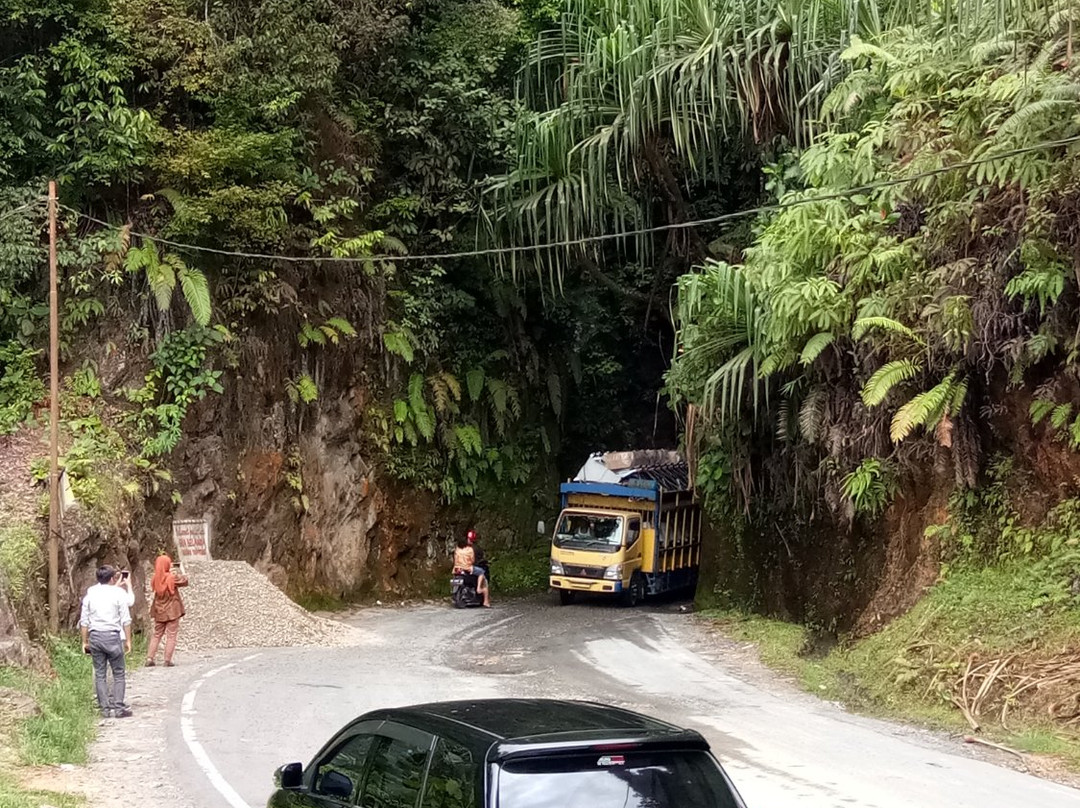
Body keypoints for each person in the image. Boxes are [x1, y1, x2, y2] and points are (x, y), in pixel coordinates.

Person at [80, 565, 133, 718]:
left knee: (100, 673)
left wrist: (85, 641)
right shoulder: (118, 594)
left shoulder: (90, 595)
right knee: (118, 673)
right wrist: (128, 640)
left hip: (95, 636)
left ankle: (104, 709)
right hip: (113, 636)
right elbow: (126, 619)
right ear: (112, 579)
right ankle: (118, 707)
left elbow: (84, 621)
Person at [146, 554, 189, 667]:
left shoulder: (155, 578)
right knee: (171, 635)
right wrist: (182, 569)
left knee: (156, 634)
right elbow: (185, 581)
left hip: (159, 610)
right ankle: (167, 660)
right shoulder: (171, 578)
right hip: (172, 610)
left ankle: (150, 658)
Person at [452, 535, 490, 607]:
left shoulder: (457, 549)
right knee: (481, 572)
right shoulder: (469, 549)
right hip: (467, 568)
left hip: (457, 568)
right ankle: (480, 591)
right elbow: (472, 560)